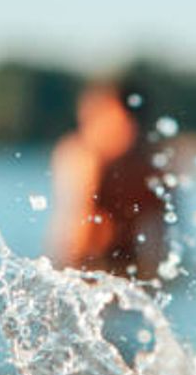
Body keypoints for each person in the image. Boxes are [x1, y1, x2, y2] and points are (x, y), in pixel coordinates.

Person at [47, 82, 166, 279]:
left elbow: (164, 239)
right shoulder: (86, 159)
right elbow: (77, 240)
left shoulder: (152, 164)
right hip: (81, 265)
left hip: (128, 260)